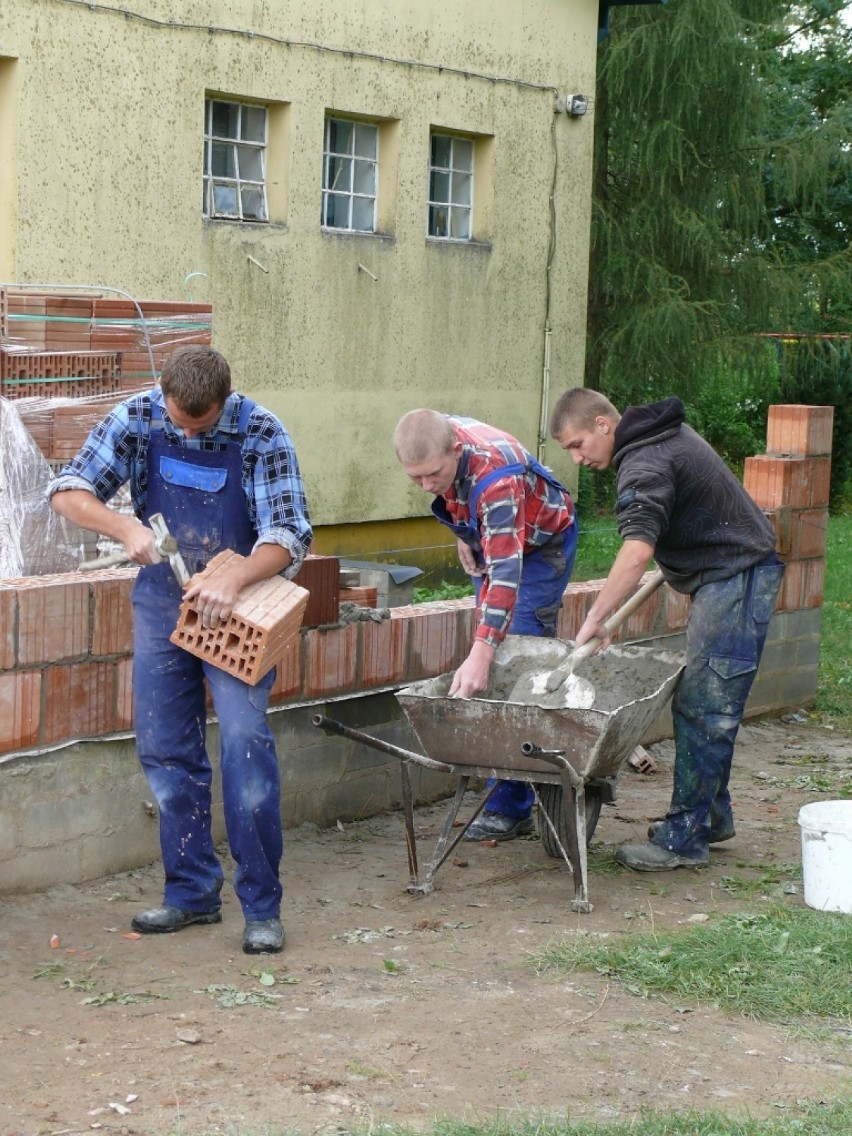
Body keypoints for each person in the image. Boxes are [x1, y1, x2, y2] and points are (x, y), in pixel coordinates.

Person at [49, 345, 313, 953]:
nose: (188, 432)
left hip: (239, 606)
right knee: (167, 746)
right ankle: (192, 893)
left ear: (225, 402)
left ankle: (261, 907)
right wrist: (127, 528)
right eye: (180, 424)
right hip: (164, 598)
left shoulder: (262, 431)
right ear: (163, 394)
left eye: (202, 426)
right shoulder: (139, 416)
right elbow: (67, 489)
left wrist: (236, 574)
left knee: (245, 744)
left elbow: (291, 534)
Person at [550, 388, 784, 870]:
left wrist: (597, 616)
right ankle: (710, 817)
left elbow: (636, 552)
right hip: (730, 572)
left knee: (705, 707)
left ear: (601, 424)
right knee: (703, 702)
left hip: (736, 577)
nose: (577, 458)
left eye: (577, 444)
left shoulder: (644, 463)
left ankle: (685, 839)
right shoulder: (659, 437)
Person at [393, 409, 578, 841]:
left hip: (539, 545)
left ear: (455, 450)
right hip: (496, 535)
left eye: (433, 474)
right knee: (491, 651)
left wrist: (482, 653)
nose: (426, 486)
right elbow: (452, 485)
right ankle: (507, 791)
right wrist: (464, 532)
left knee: (513, 664)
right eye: (414, 478)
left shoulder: (495, 482)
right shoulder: (437, 435)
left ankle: (512, 805)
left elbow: (507, 576)